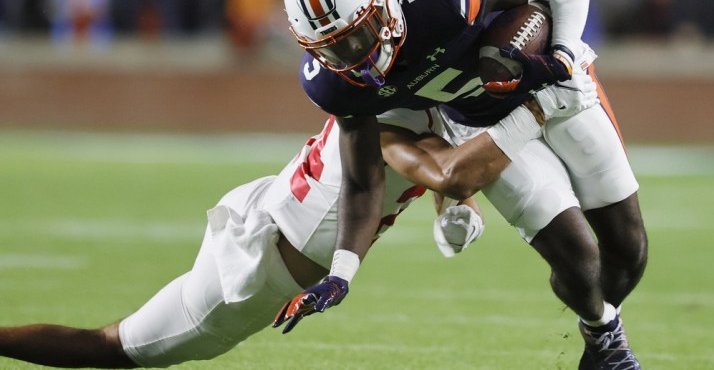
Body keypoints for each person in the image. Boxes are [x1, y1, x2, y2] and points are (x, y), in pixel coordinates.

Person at [0, 98, 598, 368]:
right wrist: (539, 109)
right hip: (254, 275)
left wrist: (450, 208)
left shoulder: (407, 93)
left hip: (277, 213)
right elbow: (443, 167)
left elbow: (445, 174)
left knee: (116, 345)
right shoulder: (390, 120)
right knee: (116, 348)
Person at [279, 0, 647, 370]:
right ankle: (604, 339)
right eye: (333, 48)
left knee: (628, 251)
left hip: (555, 88)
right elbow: (362, 179)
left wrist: (564, 56)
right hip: (488, 127)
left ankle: (602, 334)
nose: (352, 57)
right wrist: (340, 274)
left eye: (358, 37)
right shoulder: (334, 82)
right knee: (579, 261)